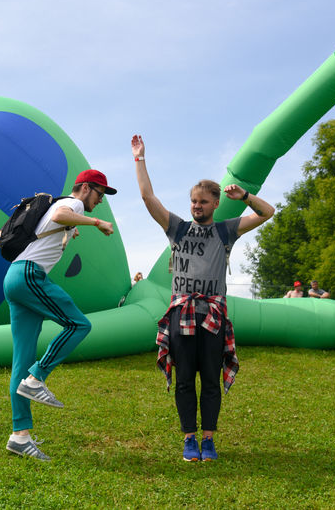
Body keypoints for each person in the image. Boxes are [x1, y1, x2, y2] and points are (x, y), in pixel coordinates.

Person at [132, 133, 274, 462]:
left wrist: (247, 195)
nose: (197, 206)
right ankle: (188, 440)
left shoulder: (226, 230)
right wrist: (140, 158)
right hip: (181, 315)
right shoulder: (177, 228)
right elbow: (146, 196)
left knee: (210, 381)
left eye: (203, 202)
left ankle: (208, 440)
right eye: (194, 201)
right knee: (184, 383)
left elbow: (267, 212)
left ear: (215, 204)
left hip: (213, 318)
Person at [3, 169, 116, 461]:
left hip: (14, 277)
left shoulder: (63, 206)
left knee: (22, 359)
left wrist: (70, 233)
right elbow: (59, 216)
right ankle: (37, 378)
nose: (100, 201)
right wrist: (95, 222)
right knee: (79, 324)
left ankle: (20, 436)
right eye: (100, 194)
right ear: (87, 188)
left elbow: (54, 226)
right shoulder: (73, 203)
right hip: (30, 275)